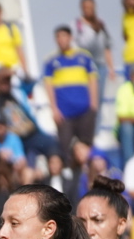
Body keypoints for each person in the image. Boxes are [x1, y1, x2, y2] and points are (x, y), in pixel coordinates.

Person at [41, 26, 99, 163]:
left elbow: (93, 80)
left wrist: (93, 105)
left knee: (87, 147)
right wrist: (54, 109)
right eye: (58, 37)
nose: (61, 40)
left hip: (84, 111)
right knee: (66, 149)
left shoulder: (84, 57)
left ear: (70, 38)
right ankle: (70, 174)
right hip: (64, 114)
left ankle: (89, 174)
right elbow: (48, 85)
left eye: (64, 36)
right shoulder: (51, 60)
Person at [74, 0, 118, 95]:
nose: (88, 10)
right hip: (83, 66)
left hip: (100, 66)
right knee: (86, 96)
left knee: (98, 96)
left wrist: (111, 68)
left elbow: (106, 47)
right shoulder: (77, 25)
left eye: (91, 7)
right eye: (86, 7)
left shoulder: (101, 24)